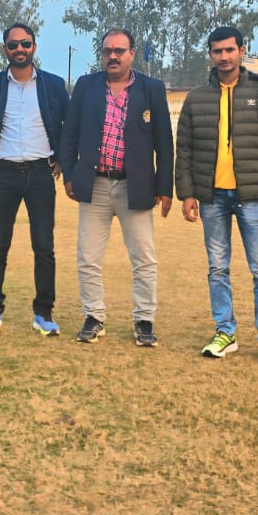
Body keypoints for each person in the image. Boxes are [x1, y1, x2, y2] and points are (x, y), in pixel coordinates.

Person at [175, 25, 258, 368]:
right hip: (212, 198)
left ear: (242, 51)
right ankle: (224, 332)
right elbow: (184, 150)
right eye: (217, 51)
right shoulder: (197, 98)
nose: (223, 57)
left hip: (253, 197)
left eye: (229, 50)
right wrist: (187, 194)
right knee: (217, 269)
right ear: (209, 54)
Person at [60, 27, 173, 345]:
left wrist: (165, 187)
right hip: (94, 185)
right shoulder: (86, 86)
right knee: (88, 257)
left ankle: (144, 320)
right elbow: (69, 135)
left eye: (119, 51)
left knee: (144, 258)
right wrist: (70, 174)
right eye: (107, 50)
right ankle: (94, 316)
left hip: (135, 186)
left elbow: (164, 141)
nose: (112, 56)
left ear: (131, 54)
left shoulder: (150, 89)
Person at [0, 22, 70, 335]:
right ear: (5, 49)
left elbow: (68, 125)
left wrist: (61, 157)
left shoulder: (53, 85)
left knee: (44, 246)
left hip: (41, 174)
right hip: (3, 174)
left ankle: (44, 313)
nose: (20, 49)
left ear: (34, 47)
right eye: (14, 44)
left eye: (25, 44)